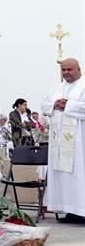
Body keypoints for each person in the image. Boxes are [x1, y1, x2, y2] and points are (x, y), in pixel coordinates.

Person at [40, 58, 85, 223]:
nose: (66, 72)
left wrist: (69, 105)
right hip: (59, 143)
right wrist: (54, 104)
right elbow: (44, 105)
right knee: (63, 176)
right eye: (63, 70)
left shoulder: (83, 85)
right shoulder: (57, 88)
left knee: (79, 174)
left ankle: (82, 211)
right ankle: (69, 210)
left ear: (78, 69)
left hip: (80, 142)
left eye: (69, 69)